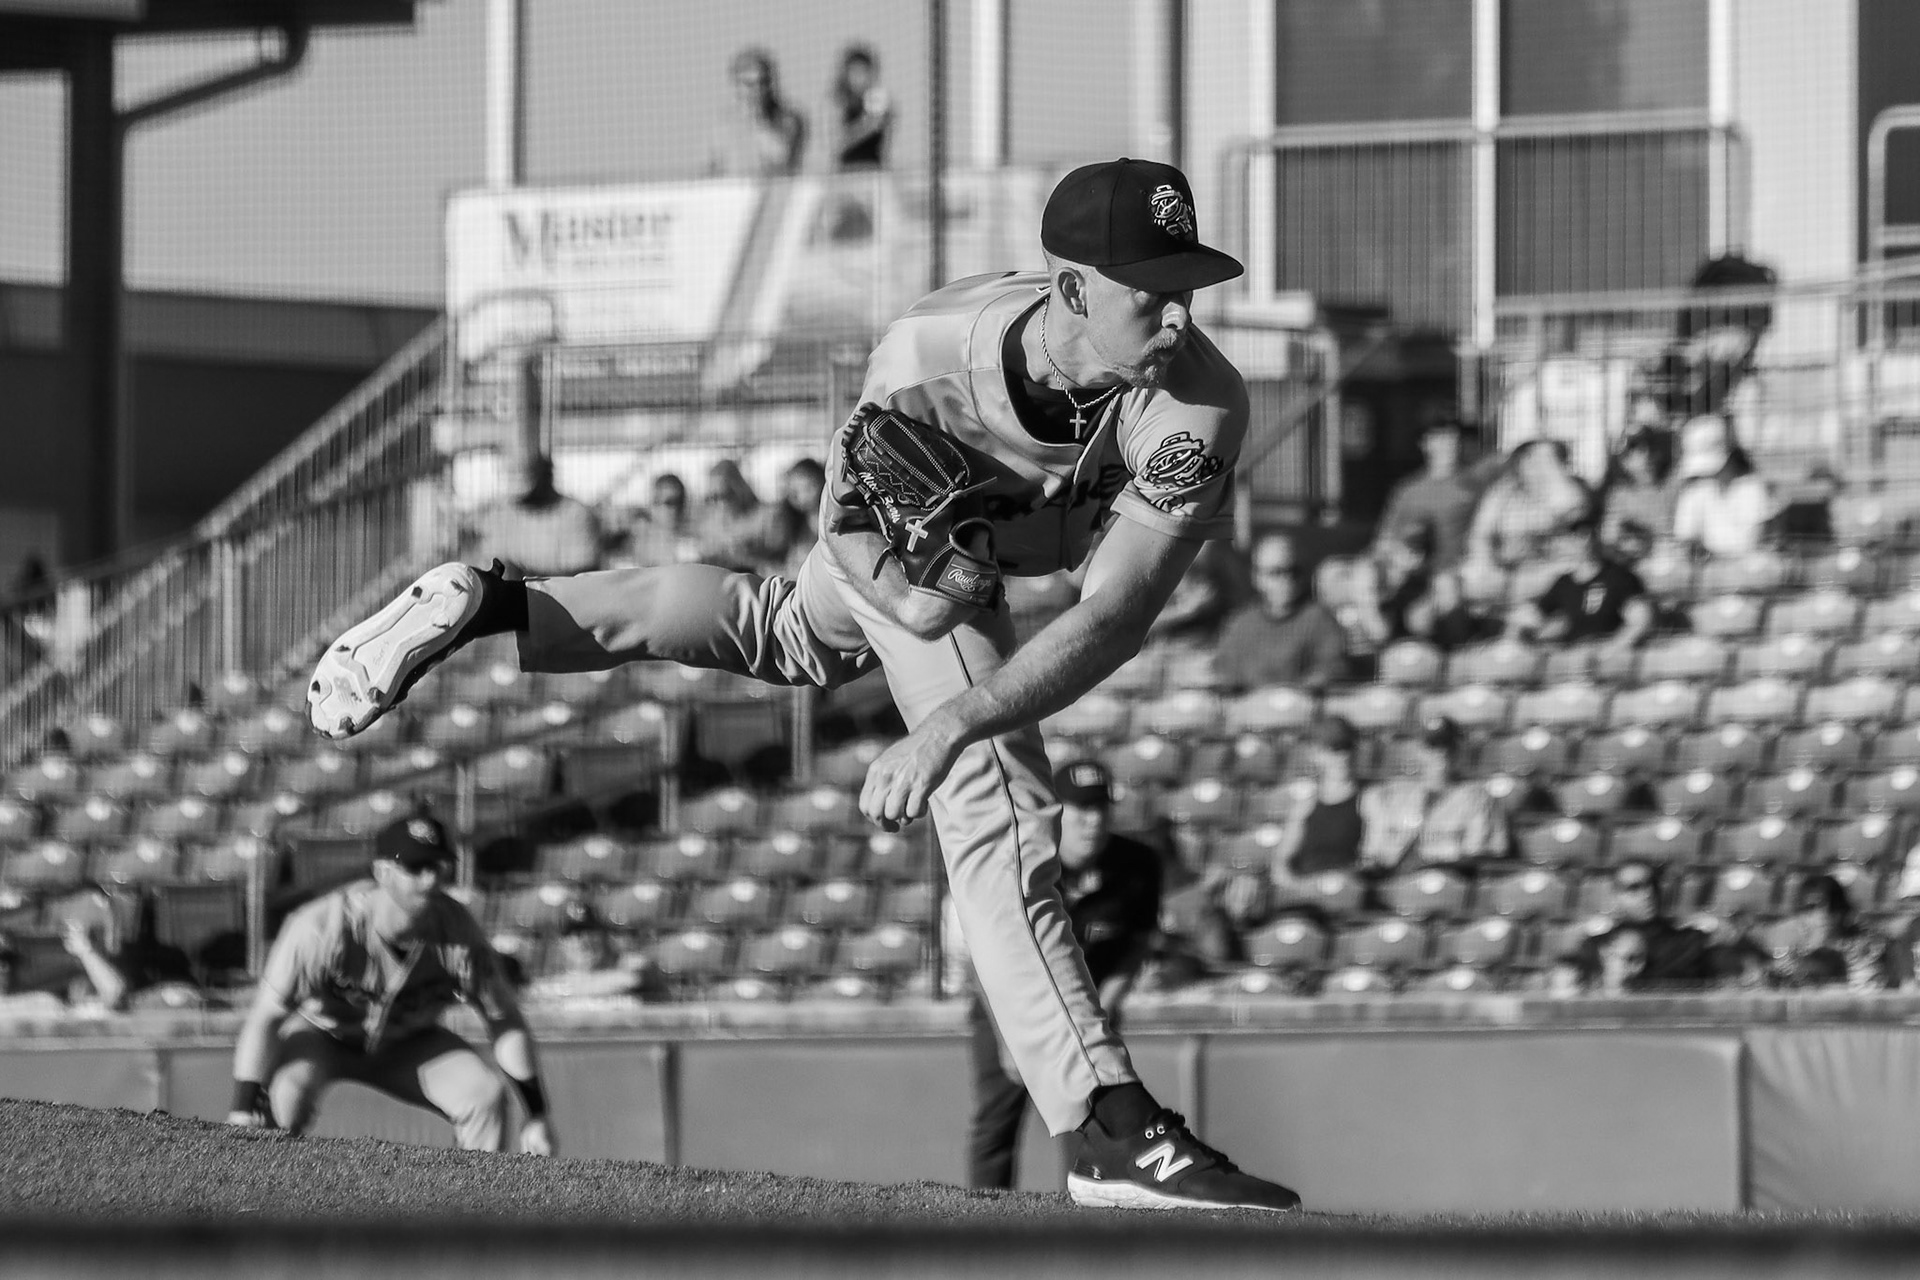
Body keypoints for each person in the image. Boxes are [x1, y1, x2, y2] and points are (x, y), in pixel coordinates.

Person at [307, 158, 1300, 1211]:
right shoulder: (925, 357)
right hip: (912, 564)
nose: (1179, 314)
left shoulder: (1200, 398)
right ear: (1071, 288)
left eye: (1190, 284)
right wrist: (930, 642)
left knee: (786, 631)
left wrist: (951, 713)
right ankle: (1103, 1124)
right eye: (1152, 288)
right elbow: (856, 533)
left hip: (983, 566)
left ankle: (505, 604)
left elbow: (1116, 614)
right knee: (998, 800)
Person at [224, 815, 557, 1155]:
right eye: (416, 867)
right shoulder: (322, 927)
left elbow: (504, 1020)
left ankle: (472, 1190)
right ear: (382, 871)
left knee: (484, 1095)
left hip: (408, 1042)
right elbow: (267, 1016)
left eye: (438, 867)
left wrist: (537, 1114)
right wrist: (242, 1106)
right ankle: (268, 1185)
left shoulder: (457, 931)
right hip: (323, 1034)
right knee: (286, 1095)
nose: (430, 879)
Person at [962, 760, 1162, 1190]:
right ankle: (983, 1218)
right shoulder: (1020, 861)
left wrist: (1103, 1009)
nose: (1094, 820)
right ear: (1056, 811)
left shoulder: (1137, 864)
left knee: (1089, 1128)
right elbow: (981, 957)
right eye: (1082, 809)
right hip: (1013, 1006)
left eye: (1101, 808)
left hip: (1088, 1008)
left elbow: (1137, 943)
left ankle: (1079, 1218)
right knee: (997, 1123)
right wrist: (1007, 1039)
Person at [1360, 716, 1508, 871]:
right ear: (1418, 751)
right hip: (1396, 880)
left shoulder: (1479, 798)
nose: (1442, 752)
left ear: (1459, 749)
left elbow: (1480, 859)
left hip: (1451, 880)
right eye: (1432, 746)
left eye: (1448, 745)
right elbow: (1371, 856)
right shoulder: (1386, 796)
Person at [1214, 532, 1349, 691]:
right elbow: (1223, 672)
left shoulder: (1319, 619)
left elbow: (1333, 668)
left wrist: (1294, 692)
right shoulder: (1240, 624)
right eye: (1276, 572)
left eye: (1294, 571)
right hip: (1249, 704)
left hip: (1301, 703)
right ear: (1257, 577)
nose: (1286, 580)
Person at [1505, 522, 1653, 659]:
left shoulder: (1619, 577)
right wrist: (1527, 644)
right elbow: (1530, 617)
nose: (1584, 540)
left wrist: (1609, 651)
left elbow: (1641, 620)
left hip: (1608, 661)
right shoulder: (1564, 583)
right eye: (1576, 535)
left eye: (1587, 533)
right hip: (1573, 659)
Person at [1461, 438, 1593, 586]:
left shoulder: (1571, 491)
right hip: (1503, 571)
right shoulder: (1503, 492)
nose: (1534, 465)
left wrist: (1531, 544)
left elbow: (1571, 536)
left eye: (1546, 459)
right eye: (1528, 457)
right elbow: (1479, 534)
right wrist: (1490, 561)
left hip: (1551, 571)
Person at [1569, 859, 1716, 988]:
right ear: (1614, 897)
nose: (1648, 894)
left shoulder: (1689, 944)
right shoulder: (1595, 948)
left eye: (1653, 884)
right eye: (1634, 888)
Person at [1373, 417, 1491, 570]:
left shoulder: (1476, 485)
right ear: (1425, 444)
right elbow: (1384, 540)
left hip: (1460, 571)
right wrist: (1398, 555)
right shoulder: (1407, 490)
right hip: (1414, 572)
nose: (1448, 445)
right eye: (1440, 439)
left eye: (1453, 439)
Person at [464, 453, 606, 578]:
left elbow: (584, 576)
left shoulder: (575, 514)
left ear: (547, 477)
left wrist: (525, 576)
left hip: (558, 598)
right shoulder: (500, 513)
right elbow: (485, 563)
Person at [1670, 414, 1775, 559]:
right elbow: (1684, 540)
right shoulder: (1693, 491)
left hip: (1743, 567)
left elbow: (1752, 544)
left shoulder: (1752, 488)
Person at [1768, 874, 1892, 991]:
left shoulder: (1867, 950)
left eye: (1832, 906)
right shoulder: (1793, 960)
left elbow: (1867, 991)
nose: (1823, 914)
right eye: (1810, 908)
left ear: (1841, 911)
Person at [710, 46, 807, 177]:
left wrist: (758, 120)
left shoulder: (790, 119)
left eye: (763, 82)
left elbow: (784, 158)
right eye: (749, 84)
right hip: (734, 188)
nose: (757, 89)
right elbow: (715, 168)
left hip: (777, 188)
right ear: (736, 85)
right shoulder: (724, 123)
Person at [1598, 427, 1680, 558]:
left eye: (1648, 446)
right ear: (1623, 460)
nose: (1645, 454)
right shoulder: (1620, 495)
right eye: (1633, 448)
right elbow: (1609, 539)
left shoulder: (1674, 484)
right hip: (1642, 562)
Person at [753, 457, 827, 579]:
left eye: (805, 488)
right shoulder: (791, 521)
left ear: (820, 483)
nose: (795, 496)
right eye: (792, 490)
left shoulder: (828, 520)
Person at [829, 43, 893, 170]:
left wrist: (884, 120)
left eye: (864, 72)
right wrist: (867, 125)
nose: (859, 78)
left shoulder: (879, 101)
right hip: (846, 172)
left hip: (874, 171)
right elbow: (835, 144)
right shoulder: (839, 103)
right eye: (855, 72)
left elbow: (886, 147)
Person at [695, 459, 766, 572]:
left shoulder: (761, 519)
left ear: (739, 490)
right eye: (714, 497)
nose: (720, 503)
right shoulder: (708, 525)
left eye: (725, 495)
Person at [624, 473, 698, 568]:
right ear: (653, 504)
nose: (674, 509)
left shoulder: (691, 547)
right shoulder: (636, 545)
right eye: (669, 502)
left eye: (679, 502)